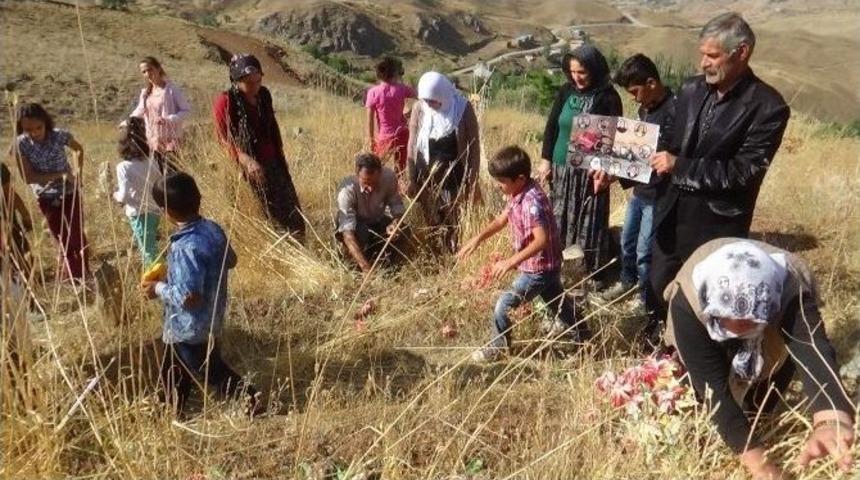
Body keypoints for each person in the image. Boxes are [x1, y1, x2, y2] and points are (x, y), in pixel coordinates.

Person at [663, 239, 854, 480]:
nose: (741, 326)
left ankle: (756, 416)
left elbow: (812, 349)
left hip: (770, 308)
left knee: (774, 369)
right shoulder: (689, 300)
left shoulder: (788, 291)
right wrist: (762, 468)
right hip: (703, 308)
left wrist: (831, 418)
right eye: (731, 319)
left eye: (751, 320)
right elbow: (715, 391)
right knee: (701, 389)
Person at [647, 13, 791, 330]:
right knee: (659, 286)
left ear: (741, 53)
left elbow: (744, 172)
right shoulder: (689, 89)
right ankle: (659, 347)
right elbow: (666, 142)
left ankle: (697, 361)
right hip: (670, 214)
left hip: (715, 226)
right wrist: (620, 169)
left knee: (704, 300)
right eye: (702, 54)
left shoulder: (768, 107)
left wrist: (680, 166)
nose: (703, 63)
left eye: (713, 55)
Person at [140, 172, 260, 415]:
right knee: (174, 365)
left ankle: (251, 399)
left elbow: (189, 298)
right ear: (198, 198)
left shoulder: (185, 247)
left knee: (210, 369)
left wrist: (158, 288)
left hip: (190, 326)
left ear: (167, 211)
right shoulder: (212, 230)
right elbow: (232, 260)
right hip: (210, 319)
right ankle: (167, 407)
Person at [457, 146, 589, 362]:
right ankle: (584, 338)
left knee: (504, 304)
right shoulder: (518, 193)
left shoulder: (532, 202)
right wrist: (477, 239)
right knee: (558, 303)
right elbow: (502, 219)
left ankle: (498, 348)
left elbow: (541, 240)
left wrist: (510, 262)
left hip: (539, 268)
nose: (497, 186)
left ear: (519, 178)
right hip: (547, 265)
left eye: (501, 181)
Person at [538, 45, 623, 284]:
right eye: (572, 71)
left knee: (589, 218)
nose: (576, 77)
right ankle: (558, 266)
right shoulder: (566, 91)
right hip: (560, 169)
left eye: (582, 72)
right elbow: (552, 126)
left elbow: (616, 139)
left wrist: (605, 168)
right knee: (558, 217)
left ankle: (588, 272)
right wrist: (546, 160)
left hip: (589, 173)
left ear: (595, 69)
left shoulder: (608, 97)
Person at [601, 54, 676, 313]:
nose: (634, 98)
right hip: (640, 192)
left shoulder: (675, 112)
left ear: (652, 82)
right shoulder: (646, 109)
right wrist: (614, 171)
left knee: (646, 251)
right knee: (628, 243)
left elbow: (661, 158)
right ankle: (626, 281)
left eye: (635, 91)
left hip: (659, 195)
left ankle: (645, 298)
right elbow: (635, 152)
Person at [213, 53, 305, 238]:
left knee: (292, 211)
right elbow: (222, 137)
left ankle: (298, 249)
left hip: (274, 162)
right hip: (247, 169)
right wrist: (244, 158)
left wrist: (280, 157)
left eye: (258, 80)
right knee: (267, 215)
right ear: (236, 80)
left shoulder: (264, 95)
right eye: (249, 82)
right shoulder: (226, 101)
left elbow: (271, 128)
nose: (255, 86)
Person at [10, 103, 89, 281]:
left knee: (76, 233)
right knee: (61, 236)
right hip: (46, 196)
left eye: (39, 127)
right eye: (28, 129)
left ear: (46, 122)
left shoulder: (59, 136)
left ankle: (84, 271)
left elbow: (79, 149)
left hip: (70, 191)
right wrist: (60, 174)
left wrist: (78, 173)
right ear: (21, 128)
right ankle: (74, 276)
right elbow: (28, 177)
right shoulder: (20, 144)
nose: (35, 132)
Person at [407, 71, 480, 253]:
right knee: (431, 219)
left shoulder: (463, 108)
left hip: (453, 176)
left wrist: (473, 180)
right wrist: (411, 177)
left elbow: (474, 146)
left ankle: (453, 254)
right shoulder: (420, 108)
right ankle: (435, 254)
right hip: (426, 175)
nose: (430, 104)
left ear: (443, 94)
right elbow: (412, 142)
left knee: (453, 219)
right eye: (427, 100)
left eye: (434, 100)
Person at [336, 153, 407, 274]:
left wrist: (395, 223)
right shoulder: (346, 191)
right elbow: (347, 233)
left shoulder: (388, 177)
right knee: (362, 233)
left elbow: (397, 206)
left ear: (380, 173)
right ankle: (358, 265)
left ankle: (389, 265)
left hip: (377, 221)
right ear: (357, 175)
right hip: (357, 227)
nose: (371, 188)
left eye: (375, 182)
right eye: (366, 182)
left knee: (404, 230)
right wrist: (365, 268)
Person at [113, 116, 163, 267]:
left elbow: (124, 196)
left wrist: (114, 195)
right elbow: (159, 183)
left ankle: (155, 280)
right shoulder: (152, 162)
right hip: (154, 210)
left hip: (138, 213)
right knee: (151, 245)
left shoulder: (123, 167)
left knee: (147, 251)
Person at [129, 56, 191, 173]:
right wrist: (127, 122)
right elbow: (139, 110)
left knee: (172, 175)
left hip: (170, 141)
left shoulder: (171, 89)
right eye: (144, 72)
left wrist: (169, 119)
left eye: (150, 69)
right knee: (158, 176)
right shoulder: (145, 93)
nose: (147, 74)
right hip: (153, 141)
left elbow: (186, 110)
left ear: (158, 68)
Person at [365, 57, 416, 174]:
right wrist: (412, 111)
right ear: (394, 72)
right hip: (402, 133)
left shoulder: (373, 92)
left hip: (385, 136)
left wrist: (371, 139)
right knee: (400, 170)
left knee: (375, 168)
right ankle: (397, 189)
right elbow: (420, 95)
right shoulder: (402, 89)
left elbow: (370, 120)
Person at [1, 162, 33, 282]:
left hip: (8, 226)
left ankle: (27, 289)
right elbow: (9, 192)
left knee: (20, 256)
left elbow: (9, 193)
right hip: (7, 229)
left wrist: (25, 215)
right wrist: (25, 215)